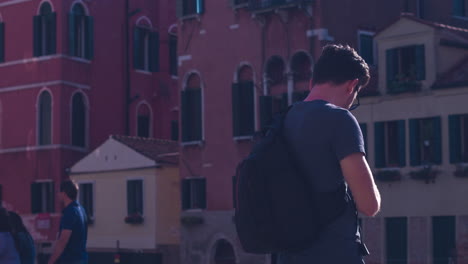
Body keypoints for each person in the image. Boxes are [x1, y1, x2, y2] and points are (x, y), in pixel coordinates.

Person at [278, 44, 381, 264]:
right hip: (334, 254)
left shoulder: (282, 121)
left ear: (311, 82)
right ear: (352, 86)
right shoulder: (340, 120)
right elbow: (369, 205)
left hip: (288, 256)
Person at [48, 180, 88, 264]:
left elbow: (63, 241)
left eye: (59, 192)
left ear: (64, 194)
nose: (57, 194)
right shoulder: (81, 210)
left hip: (71, 260)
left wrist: (51, 261)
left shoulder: (70, 212)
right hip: (82, 258)